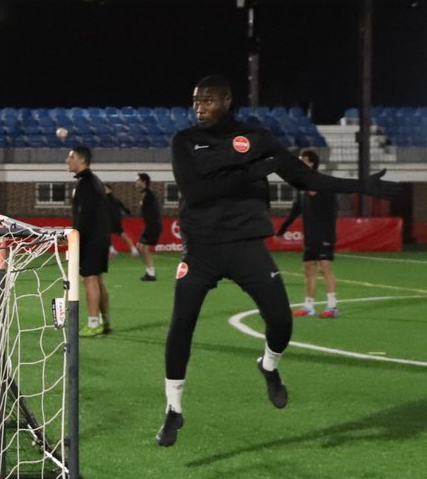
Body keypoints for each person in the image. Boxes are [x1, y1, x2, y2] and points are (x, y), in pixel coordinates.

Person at [156, 75, 400, 447]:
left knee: (282, 321)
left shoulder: (256, 137)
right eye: (195, 101)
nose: (199, 107)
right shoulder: (185, 141)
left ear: (226, 100)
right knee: (181, 325)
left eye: (207, 100)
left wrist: (359, 185)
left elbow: (302, 176)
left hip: (246, 248)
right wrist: (253, 171)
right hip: (201, 249)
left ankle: (268, 365)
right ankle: (173, 410)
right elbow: (196, 192)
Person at [276, 149, 339, 318]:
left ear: (312, 163)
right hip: (310, 235)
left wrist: (328, 236)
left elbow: (332, 210)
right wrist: (282, 230)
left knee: (325, 267)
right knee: (309, 269)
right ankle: (309, 306)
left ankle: (332, 307)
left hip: (324, 235)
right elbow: (295, 210)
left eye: (304, 160)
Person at [68, 146, 113, 337]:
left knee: (89, 280)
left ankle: (93, 323)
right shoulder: (94, 182)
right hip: (100, 238)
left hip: (91, 239)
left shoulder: (86, 184)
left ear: (82, 160)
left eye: (71, 157)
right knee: (97, 280)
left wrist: (75, 239)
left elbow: (84, 216)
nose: (67, 160)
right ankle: (104, 321)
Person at [135, 173, 162, 281]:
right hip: (150, 225)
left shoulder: (149, 195)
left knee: (143, 248)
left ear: (144, 182)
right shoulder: (144, 194)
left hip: (153, 225)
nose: (135, 183)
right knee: (139, 247)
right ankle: (149, 271)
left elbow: (154, 212)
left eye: (138, 181)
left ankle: (151, 274)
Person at [105, 190, 138, 257]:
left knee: (108, 234)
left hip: (114, 221)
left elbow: (122, 207)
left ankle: (133, 249)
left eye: (106, 189)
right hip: (110, 221)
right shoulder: (103, 200)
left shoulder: (113, 200)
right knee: (106, 235)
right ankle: (133, 249)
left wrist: (127, 211)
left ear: (110, 190)